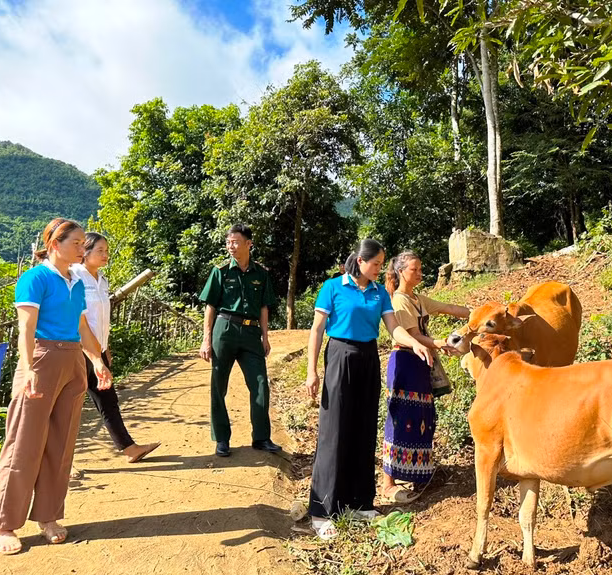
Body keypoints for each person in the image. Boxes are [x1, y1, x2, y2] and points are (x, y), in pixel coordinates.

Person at [0, 218, 112, 555]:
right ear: (56, 244)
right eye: (77, 242)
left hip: (73, 360)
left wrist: (97, 360)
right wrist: (27, 369)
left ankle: (49, 517)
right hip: (41, 360)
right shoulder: (35, 278)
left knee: (61, 443)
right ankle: (3, 523)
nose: (82, 248)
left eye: (84, 243)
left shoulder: (75, 280)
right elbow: (26, 331)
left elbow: (81, 325)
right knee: (23, 443)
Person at [305, 239, 433, 541]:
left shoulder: (379, 293)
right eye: (376, 264)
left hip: (368, 359)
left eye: (381, 264)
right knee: (334, 432)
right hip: (339, 356)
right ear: (360, 262)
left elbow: (393, 328)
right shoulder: (334, 287)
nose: (380, 269)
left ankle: (358, 503)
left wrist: (415, 343)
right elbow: (317, 330)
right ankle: (322, 511)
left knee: (363, 430)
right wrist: (312, 371)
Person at [381, 251, 469, 503]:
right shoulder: (399, 301)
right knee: (400, 421)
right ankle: (388, 482)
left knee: (422, 418)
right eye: (415, 269)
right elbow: (413, 335)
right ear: (400, 272)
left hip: (420, 364)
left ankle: (417, 473)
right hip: (405, 363)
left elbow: (447, 308)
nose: (420, 273)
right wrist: (440, 343)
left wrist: (478, 314)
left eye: (421, 269)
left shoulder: (417, 298)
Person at [73, 233, 160, 463]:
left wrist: (104, 348)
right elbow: (80, 321)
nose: (105, 255)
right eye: (100, 250)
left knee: (108, 401)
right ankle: (60, 462)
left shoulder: (102, 280)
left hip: (97, 351)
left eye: (106, 251)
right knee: (68, 407)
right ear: (86, 252)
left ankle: (130, 448)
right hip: (78, 352)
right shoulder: (75, 278)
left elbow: (102, 319)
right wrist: (94, 355)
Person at [199, 224, 280, 458]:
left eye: (235, 242)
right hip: (224, 329)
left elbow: (264, 307)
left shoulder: (261, 273)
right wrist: (206, 340)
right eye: (228, 242)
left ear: (248, 244)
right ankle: (222, 439)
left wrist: (265, 336)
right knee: (218, 386)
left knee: (260, 385)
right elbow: (210, 306)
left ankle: (262, 437)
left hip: (251, 333)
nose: (230, 246)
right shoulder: (221, 271)